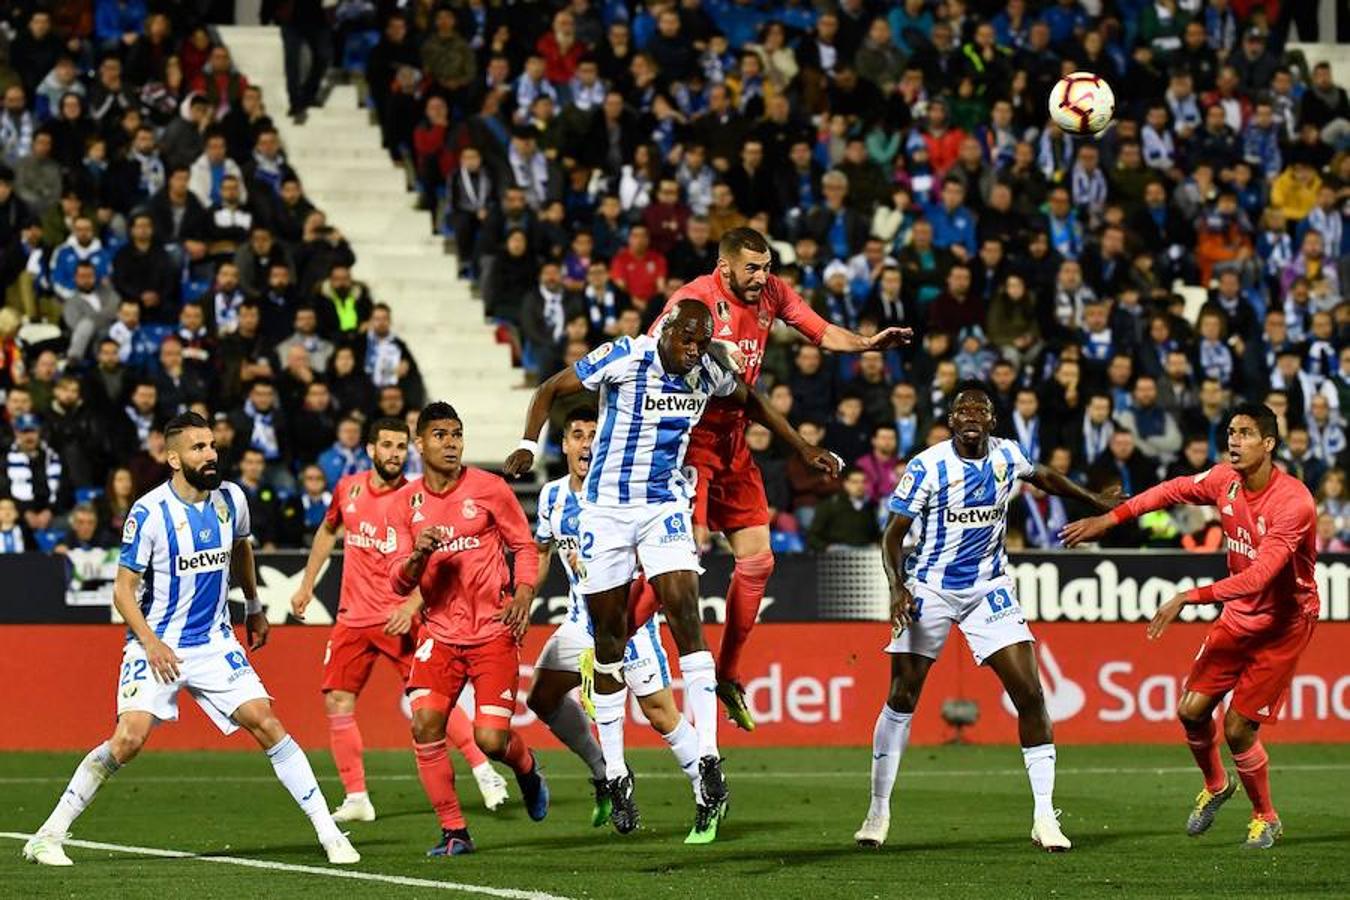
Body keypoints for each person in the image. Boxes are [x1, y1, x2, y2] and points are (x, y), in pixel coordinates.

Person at [504, 300, 840, 842]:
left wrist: (802, 446)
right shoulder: (623, 355)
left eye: (703, 342)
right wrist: (526, 443)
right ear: (667, 332)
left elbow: (750, 401)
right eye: (688, 340)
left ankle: (707, 756)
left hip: (664, 509)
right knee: (608, 639)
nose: (694, 351)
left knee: (686, 614)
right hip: (607, 513)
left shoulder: (707, 368)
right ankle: (614, 772)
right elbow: (549, 389)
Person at [21, 413, 359, 867]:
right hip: (156, 643)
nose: (211, 454)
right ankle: (48, 835)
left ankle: (329, 833)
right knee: (129, 740)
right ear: (173, 457)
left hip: (215, 641)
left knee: (267, 721)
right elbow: (123, 589)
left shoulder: (231, 498)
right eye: (199, 447)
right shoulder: (149, 511)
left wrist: (255, 607)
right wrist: (151, 643)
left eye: (213, 445)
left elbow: (241, 547)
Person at [641, 227, 911, 731]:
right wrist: (714, 349)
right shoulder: (693, 299)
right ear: (724, 268)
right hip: (689, 443)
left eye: (767, 268)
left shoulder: (773, 294)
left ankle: (727, 675)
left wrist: (867, 345)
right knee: (683, 556)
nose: (763, 278)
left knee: (759, 561)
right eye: (752, 269)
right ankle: (607, 650)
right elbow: (658, 351)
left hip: (735, 443)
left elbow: (821, 330)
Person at [856, 383, 1120, 851]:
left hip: (989, 589)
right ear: (952, 420)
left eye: (981, 409)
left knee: (1032, 694)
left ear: (993, 422)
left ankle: (1044, 816)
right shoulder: (928, 466)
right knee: (902, 694)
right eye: (963, 410)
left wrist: (1093, 500)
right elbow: (892, 535)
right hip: (930, 589)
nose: (972, 415)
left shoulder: (1006, 455)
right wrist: (898, 588)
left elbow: (1044, 477)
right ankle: (878, 809)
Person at [1062, 403, 1319, 850]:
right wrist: (1111, 518)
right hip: (1239, 618)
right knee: (1190, 712)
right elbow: (1172, 491)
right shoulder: (1225, 481)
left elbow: (1259, 576)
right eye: (1230, 433)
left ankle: (1266, 817)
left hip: (1283, 624)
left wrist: (1188, 596)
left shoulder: (1292, 503)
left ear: (1270, 444)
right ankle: (1217, 786)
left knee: (1238, 729)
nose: (1233, 441)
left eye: (1245, 434)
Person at [290, 417, 508, 823]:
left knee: (430, 703)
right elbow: (327, 530)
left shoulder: (417, 498)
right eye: (386, 445)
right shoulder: (347, 489)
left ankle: (484, 770)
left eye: (400, 446)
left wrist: (411, 605)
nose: (393, 453)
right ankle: (357, 796)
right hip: (352, 617)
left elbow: (444, 562)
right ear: (371, 450)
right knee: (337, 699)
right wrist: (306, 585)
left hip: (399, 617)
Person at [525, 407, 704, 834]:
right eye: (578, 434)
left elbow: (651, 559)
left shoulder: (625, 493)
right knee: (541, 698)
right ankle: (607, 772)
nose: (587, 443)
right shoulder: (551, 495)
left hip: (627, 624)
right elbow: (541, 552)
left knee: (661, 714)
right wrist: (525, 595)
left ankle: (706, 791)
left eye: (594, 435)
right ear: (565, 445)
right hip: (578, 622)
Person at [387, 402, 548, 857]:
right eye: (440, 435)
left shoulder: (490, 489)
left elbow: (524, 545)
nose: (451, 443)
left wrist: (523, 593)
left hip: (493, 631)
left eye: (456, 434)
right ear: (420, 443)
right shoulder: (406, 503)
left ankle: (527, 767)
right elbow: (397, 579)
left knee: (490, 740)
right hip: (438, 635)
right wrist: (417, 555)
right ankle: (454, 831)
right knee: (424, 724)